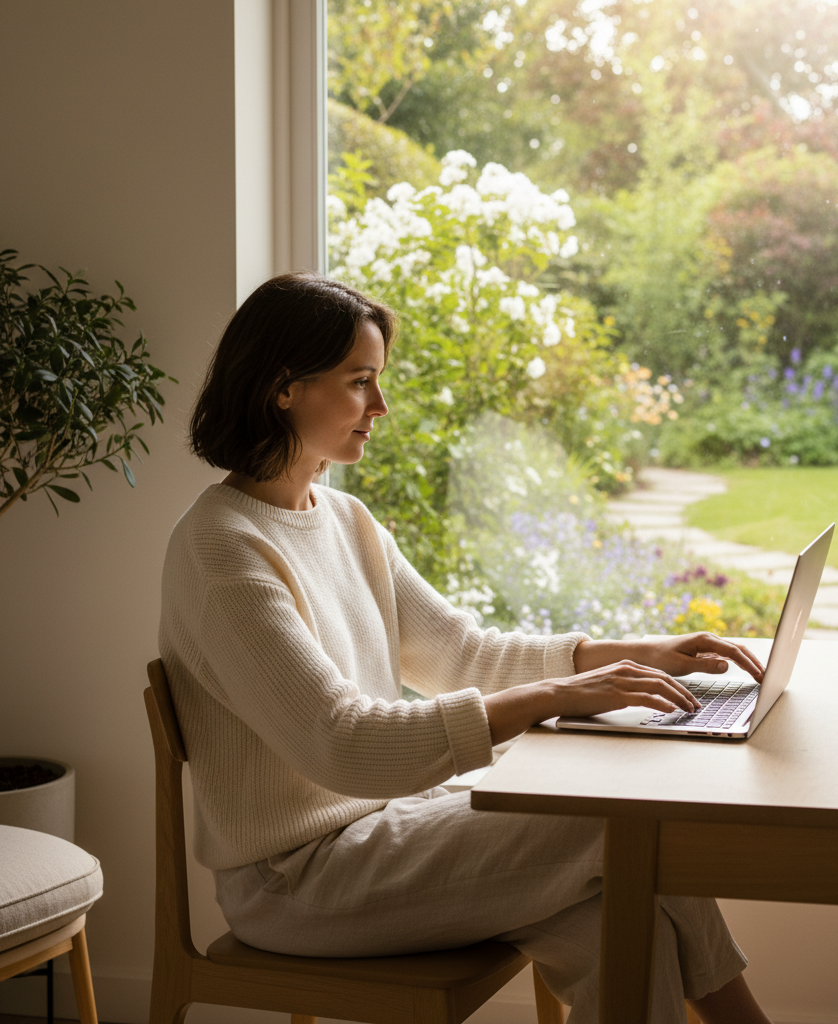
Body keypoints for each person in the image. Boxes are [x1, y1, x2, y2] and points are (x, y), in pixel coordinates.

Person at [159, 272, 773, 1023]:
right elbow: (341, 744)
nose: (379, 406)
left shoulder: (344, 519)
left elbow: (461, 651)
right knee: (623, 823)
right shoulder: (222, 550)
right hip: (297, 880)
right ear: (284, 388)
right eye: (360, 382)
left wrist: (631, 653)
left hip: (390, 830)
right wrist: (552, 697)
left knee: (623, 929)